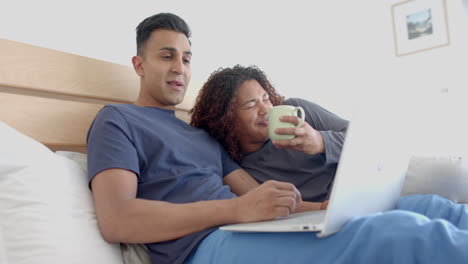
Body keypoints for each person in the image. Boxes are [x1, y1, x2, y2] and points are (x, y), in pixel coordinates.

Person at [87, 12, 468, 264]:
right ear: (139, 64)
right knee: (397, 235)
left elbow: (260, 197)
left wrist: (324, 210)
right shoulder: (117, 120)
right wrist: (237, 210)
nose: (179, 68)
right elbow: (117, 219)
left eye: (186, 59)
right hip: (202, 247)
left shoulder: (201, 138)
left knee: (427, 207)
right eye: (166, 56)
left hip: (242, 227)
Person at [190, 65, 348, 202]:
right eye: (251, 105)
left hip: (350, 192)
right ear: (226, 119)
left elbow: (366, 141)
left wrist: (321, 141)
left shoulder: (297, 112)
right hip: (314, 222)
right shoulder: (234, 169)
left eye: (266, 99)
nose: (266, 110)